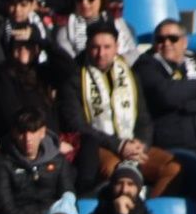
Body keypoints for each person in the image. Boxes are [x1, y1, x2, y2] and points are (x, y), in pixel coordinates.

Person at [60, 22, 182, 198]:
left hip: (133, 146)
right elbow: (77, 124)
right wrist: (118, 145)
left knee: (173, 168)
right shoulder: (74, 77)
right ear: (87, 47)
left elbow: (144, 118)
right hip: (100, 146)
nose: (101, 53)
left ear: (117, 47)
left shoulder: (130, 74)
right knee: (116, 171)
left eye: (107, 47)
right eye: (95, 47)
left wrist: (141, 145)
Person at [133, 20, 196, 156]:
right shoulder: (146, 65)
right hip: (174, 145)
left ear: (184, 42)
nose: (167, 43)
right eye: (160, 39)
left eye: (173, 39)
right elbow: (168, 96)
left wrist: (187, 105)